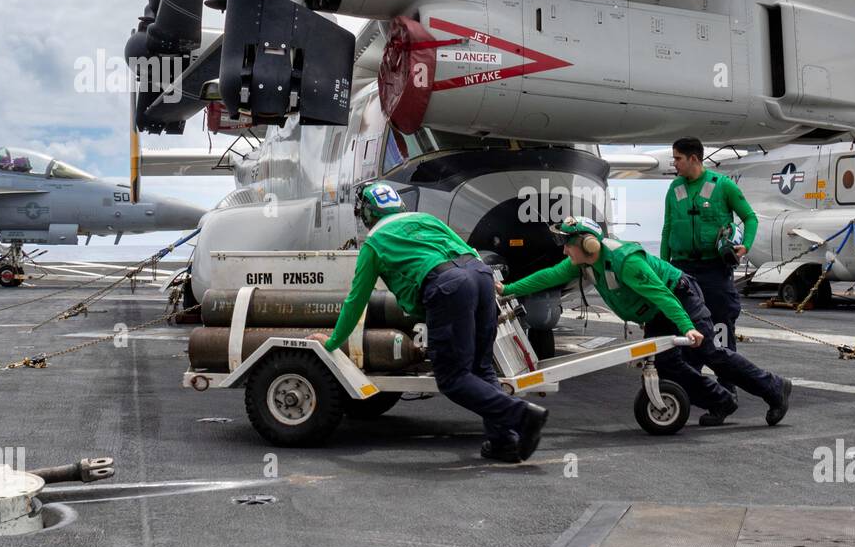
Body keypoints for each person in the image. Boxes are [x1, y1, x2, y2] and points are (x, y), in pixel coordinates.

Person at [307, 183, 546, 464]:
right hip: (482, 276)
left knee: (453, 379)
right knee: (481, 368)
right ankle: (504, 441)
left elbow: (356, 301)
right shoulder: (426, 219)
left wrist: (334, 342)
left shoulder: (374, 243)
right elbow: (469, 249)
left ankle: (522, 416)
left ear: (367, 215)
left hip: (449, 286)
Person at [499, 216, 791, 427]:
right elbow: (547, 276)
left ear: (587, 244)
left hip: (679, 297)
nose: (564, 250)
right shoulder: (585, 261)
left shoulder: (626, 261)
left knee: (708, 352)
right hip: (655, 312)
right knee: (667, 364)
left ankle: (774, 388)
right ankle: (721, 401)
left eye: (567, 244)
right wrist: (508, 290)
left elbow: (662, 294)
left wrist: (688, 326)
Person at [661, 136, 760, 424]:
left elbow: (750, 218)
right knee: (686, 331)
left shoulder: (723, 186)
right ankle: (700, 392)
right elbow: (668, 228)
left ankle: (727, 394)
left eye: (678, 158)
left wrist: (746, 247)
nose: (674, 163)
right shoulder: (674, 188)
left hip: (714, 272)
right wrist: (663, 268)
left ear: (694, 158)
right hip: (682, 270)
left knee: (720, 332)